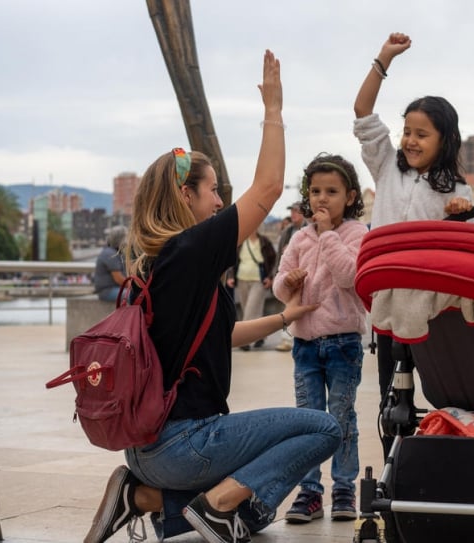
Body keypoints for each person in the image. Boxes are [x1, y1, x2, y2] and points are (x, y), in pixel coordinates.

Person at [83, 50, 343, 543]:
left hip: (147, 448)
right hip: (183, 442)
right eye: (212, 192)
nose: (221, 203)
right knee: (324, 429)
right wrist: (273, 110)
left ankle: (143, 497)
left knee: (259, 512)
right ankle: (206, 502)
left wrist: (285, 317)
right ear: (185, 196)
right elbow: (266, 189)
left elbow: (221, 337)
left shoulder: (153, 263)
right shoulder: (189, 250)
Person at [353, 32, 473, 459]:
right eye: (407, 131)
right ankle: (394, 458)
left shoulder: (456, 188)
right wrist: (383, 59)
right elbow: (363, 111)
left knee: (440, 383)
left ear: (445, 139)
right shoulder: (387, 166)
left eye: (422, 134)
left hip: (431, 304)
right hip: (388, 298)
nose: (410, 140)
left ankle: (443, 452)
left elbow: (464, 244)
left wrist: (461, 211)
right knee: (391, 388)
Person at [274, 154, 368, 524]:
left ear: (350, 196)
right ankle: (310, 491)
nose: (322, 199)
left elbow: (349, 277)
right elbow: (280, 286)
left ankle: (344, 487)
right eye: (315, 191)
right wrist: (289, 282)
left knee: (341, 417)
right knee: (308, 420)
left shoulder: (356, 234)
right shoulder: (299, 238)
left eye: (332, 191)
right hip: (306, 344)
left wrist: (328, 233)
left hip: (344, 342)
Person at [227, 230, 277, 350]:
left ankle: (243, 340)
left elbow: (273, 259)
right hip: (242, 279)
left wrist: (270, 277)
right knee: (249, 309)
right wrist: (230, 276)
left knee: (251, 309)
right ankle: (259, 336)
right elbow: (232, 260)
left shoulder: (264, 241)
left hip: (258, 281)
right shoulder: (241, 242)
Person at [275, 202, 307, 352]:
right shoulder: (288, 231)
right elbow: (278, 257)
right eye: (292, 211)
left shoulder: (310, 228)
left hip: (305, 276)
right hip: (289, 277)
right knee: (288, 308)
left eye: (296, 211)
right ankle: (287, 339)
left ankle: (294, 339)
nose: (293, 214)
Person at [93, 226, 128, 302]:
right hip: (107, 291)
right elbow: (119, 279)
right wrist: (136, 287)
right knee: (134, 296)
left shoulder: (113, 252)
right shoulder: (110, 254)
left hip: (113, 289)